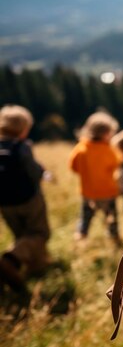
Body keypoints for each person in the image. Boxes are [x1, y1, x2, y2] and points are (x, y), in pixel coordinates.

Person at [0, 105, 51, 292]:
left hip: (5, 203)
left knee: (22, 235)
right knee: (39, 233)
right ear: (24, 129)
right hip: (29, 199)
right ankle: (10, 259)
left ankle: (36, 266)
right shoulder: (22, 147)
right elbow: (35, 172)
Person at [68, 111, 122, 244]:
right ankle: (114, 237)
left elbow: (73, 167)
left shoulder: (80, 148)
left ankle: (81, 235)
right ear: (106, 134)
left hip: (88, 192)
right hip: (107, 192)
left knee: (85, 217)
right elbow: (117, 164)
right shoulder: (109, 150)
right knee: (111, 217)